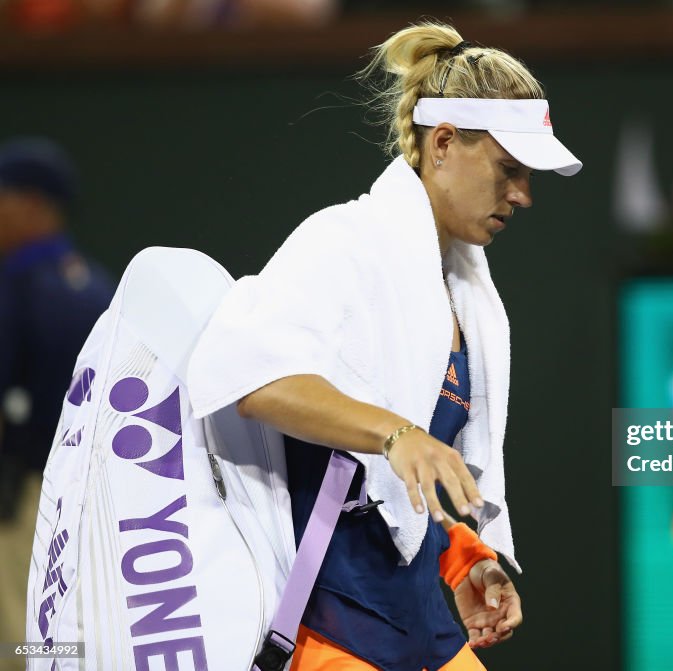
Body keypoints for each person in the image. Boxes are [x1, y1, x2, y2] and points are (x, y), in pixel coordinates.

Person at [186, 20, 581, 671]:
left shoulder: (460, 293)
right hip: (329, 631)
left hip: (424, 624)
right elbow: (253, 381)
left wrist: (462, 558)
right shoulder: (343, 240)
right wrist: (397, 433)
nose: (523, 194)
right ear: (444, 143)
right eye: (510, 169)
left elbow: (386, 490)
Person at [0, 137, 114, 670]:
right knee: (72, 624)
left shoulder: (16, 285)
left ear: (32, 203)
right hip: (99, 492)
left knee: (20, 632)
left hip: (25, 491)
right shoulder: (98, 286)